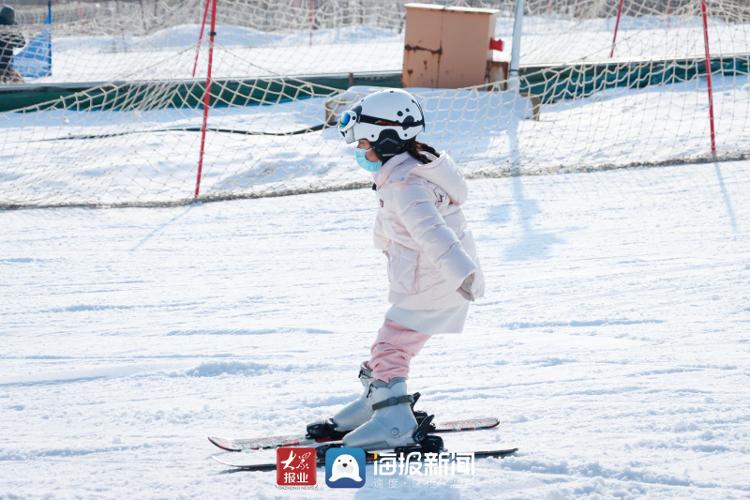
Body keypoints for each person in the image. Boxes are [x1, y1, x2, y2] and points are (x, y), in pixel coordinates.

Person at [308, 88, 485, 450]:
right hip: (434, 279)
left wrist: (462, 273)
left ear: (386, 140)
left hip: (436, 280)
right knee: (388, 345)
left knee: (391, 348)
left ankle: (394, 422)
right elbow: (394, 220)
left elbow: (432, 232)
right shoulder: (402, 174)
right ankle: (379, 402)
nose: (361, 152)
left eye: (364, 144)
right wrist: (384, 241)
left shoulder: (406, 184)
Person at [0, 5, 25, 84]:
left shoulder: (10, 30)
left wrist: (13, 35)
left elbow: (21, 43)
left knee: (19, 83)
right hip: (3, 68)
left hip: (5, 67)